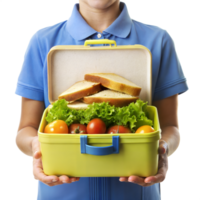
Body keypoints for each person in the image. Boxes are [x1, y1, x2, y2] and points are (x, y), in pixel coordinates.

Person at [13, 0, 190, 200]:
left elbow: (171, 128)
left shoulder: (158, 40)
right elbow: (25, 129)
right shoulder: (42, 41)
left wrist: (162, 150)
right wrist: (36, 147)